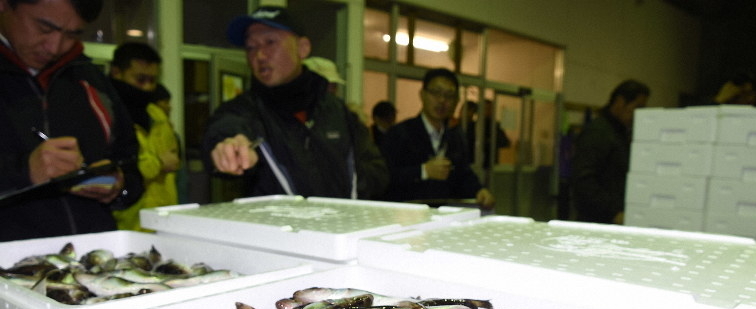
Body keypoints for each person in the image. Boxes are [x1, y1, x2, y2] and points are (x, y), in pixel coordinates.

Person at [204, 7, 388, 200]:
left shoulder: (336, 110)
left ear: (302, 48)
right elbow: (226, 127)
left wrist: (347, 192)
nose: (259, 56)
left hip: (339, 226)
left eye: (270, 42)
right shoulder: (245, 109)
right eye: (251, 47)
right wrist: (228, 146)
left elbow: (376, 169)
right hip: (275, 228)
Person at [0, 0, 142, 242]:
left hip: (91, 259)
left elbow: (131, 164)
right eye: (44, 28)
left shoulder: (91, 80)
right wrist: (23, 172)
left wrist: (118, 184)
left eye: (72, 34)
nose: (54, 47)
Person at [380, 68, 495, 209]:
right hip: (406, 216)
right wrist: (423, 171)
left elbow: (463, 174)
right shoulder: (399, 133)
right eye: (436, 93)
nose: (442, 100)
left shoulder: (455, 136)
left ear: (456, 101)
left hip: (443, 216)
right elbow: (384, 177)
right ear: (422, 95)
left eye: (449, 95)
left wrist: (479, 190)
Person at [109, 42, 180, 231]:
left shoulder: (157, 115)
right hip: (124, 227)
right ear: (117, 73)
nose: (147, 87)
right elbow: (112, 173)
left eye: (152, 80)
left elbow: (172, 164)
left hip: (163, 222)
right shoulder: (106, 117)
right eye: (140, 79)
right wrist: (158, 163)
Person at [571, 79, 650, 224]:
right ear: (620, 102)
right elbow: (584, 181)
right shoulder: (598, 133)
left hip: (612, 218)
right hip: (597, 222)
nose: (639, 115)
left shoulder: (620, 133)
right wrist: (613, 212)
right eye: (637, 108)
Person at [461, 99, 510, 169]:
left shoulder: (495, 126)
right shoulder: (471, 126)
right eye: (486, 108)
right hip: (473, 165)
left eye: (491, 109)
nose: (489, 111)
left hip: (490, 166)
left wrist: (490, 141)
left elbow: (505, 143)